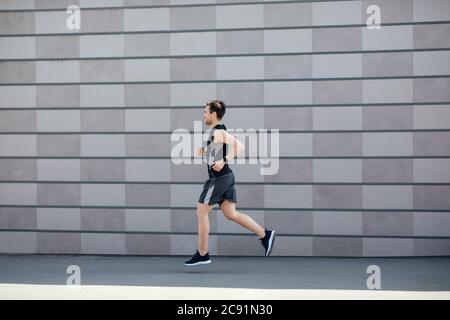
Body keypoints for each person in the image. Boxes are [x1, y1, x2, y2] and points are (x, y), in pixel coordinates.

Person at [184, 99, 276, 266]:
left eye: (205, 112)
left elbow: (239, 146)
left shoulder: (218, 132)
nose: (203, 115)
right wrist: (205, 150)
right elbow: (218, 148)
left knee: (201, 212)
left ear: (213, 114)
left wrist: (224, 160)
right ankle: (265, 234)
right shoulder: (215, 132)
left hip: (219, 179)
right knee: (231, 214)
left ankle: (203, 254)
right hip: (226, 177)